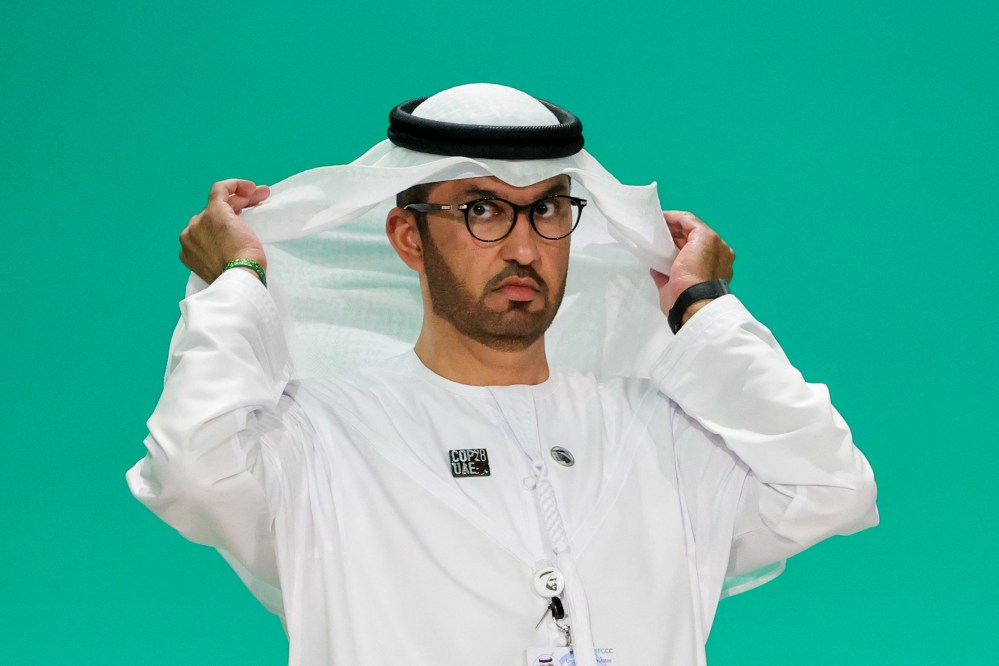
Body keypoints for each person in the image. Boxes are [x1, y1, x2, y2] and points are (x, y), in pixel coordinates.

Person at [127, 83, 878, 666]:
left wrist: (704, 310)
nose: (523, 247)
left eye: (547, 209)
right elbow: (191, 470)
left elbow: (832, 487)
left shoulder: (656, 434)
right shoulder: (322, 438)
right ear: (407, 237)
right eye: (482, 210)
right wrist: (238, 283)